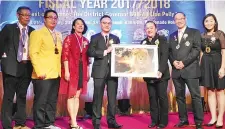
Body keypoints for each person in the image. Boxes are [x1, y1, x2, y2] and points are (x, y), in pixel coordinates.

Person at [0, 6, 34, 129]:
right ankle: (7, 125)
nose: (26, 17)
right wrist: (3, 62)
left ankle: (20, 123)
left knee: (22, 96)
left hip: (26, 68)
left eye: (28, 15)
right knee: (8, 98)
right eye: (24, 15)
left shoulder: (32, 31)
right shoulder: (8, 28)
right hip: (10, 68)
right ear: (18, 15)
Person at [168, 12, 203, 129]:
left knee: (195, 96)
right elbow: (169, 52)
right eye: (176, 19)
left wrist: (183, 63)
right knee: (180, 97)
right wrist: (173, 62)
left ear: (185, 19)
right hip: (177, 71)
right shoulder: (172, 35)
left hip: (191, 70)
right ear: (174, 21)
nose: (179, 21)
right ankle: (183, 120)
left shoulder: (195, 32)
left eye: (181, 19)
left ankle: (198, 121)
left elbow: (196, 50)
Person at [87, 15, 122, 129]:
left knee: (112, 98)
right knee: (97, 98)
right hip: (99, 71)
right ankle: (96, 122)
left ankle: (111, 121)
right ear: (100, 24)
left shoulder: (115, 38)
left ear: (111, 25)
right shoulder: (94, 37)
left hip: (113, 72)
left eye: (109, 23)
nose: (107, 25)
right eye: (104, 23)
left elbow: (120, 54)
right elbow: (90, 52)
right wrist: (105, 51)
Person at [29, 10, 62, 129]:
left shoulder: (58, 34)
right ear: (44, 19)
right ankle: (39, 125)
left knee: (52, 101)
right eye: (50, 17)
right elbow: (33, 53)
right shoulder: (37, 33)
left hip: (56, 73)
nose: (53, 20)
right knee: (41, 101)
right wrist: (39, 71)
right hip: (42, 74)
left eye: (55, 18)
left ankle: (49, 123)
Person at [59, 18, 89, 129]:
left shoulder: (86, 40)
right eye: (78, 24)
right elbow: (65, 55)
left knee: (77, 96)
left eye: (82, 24)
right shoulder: (69, 38)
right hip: (71, 69)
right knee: (71, 96)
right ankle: (73, 123)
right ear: (73, 26)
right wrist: (66, 70)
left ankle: (73, 121)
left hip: (82, 70)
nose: (80, 26)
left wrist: (88, 72)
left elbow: (87, 58)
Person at [141, 21, 170, 129]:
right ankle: (154, 120)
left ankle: (163, 121)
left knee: (162, 98)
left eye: (151, 28)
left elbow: (164, 56)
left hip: (161, 75)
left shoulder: (162, 39)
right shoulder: (143, 42)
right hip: (149, 76)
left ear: (156, 29)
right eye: (147, 28)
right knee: (152, 98)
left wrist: (160, 70)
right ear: (145, 30)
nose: (149, 30)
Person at [200, 13, 225, 128]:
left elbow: (224, 52)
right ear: (203, 23)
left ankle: (220, 118)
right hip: (206, 64)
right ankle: (213, 117)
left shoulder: (220, 34)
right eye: (206, 21)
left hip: (218, 63)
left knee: (220, 91)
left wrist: (223, 67)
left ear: (215, 22)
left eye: (211, 20)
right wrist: (201, 66)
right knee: (210, 91)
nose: (208, 23)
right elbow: (201, 52)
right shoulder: (202, 35)